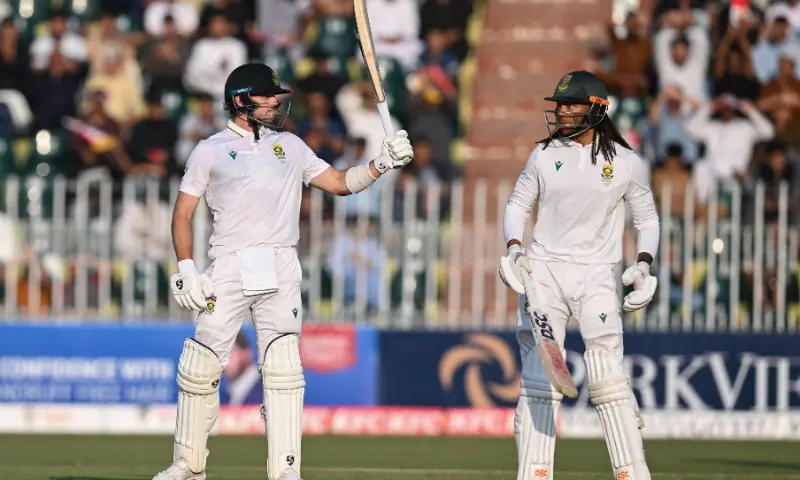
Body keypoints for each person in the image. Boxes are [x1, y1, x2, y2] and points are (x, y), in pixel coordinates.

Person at [152, 62, 413, 480]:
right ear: (241, 101)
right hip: (230, 264)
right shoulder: (210, 149)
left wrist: (381, 162)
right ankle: (188, 464)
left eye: (277, 95)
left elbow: (340, 183)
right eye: (267, 95)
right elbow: (183, 213)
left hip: (281, 264)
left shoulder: (290, 146)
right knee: (201, 365)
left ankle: (286, 471)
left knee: (284, 367)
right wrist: (185, 267)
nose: (276, 101)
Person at [498, 70, 659, 480]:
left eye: (572, 104)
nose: (563, 111)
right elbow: (517, 205)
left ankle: (632, 474)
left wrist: (643, 265)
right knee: (540, 378)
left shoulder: (625, 163)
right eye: (560, 105)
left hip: (597, 274)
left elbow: (648, 220)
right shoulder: (543, 154)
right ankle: (535, 474)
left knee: (606, 375)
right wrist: (515, 249)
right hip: (545, 272)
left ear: (598, 108)